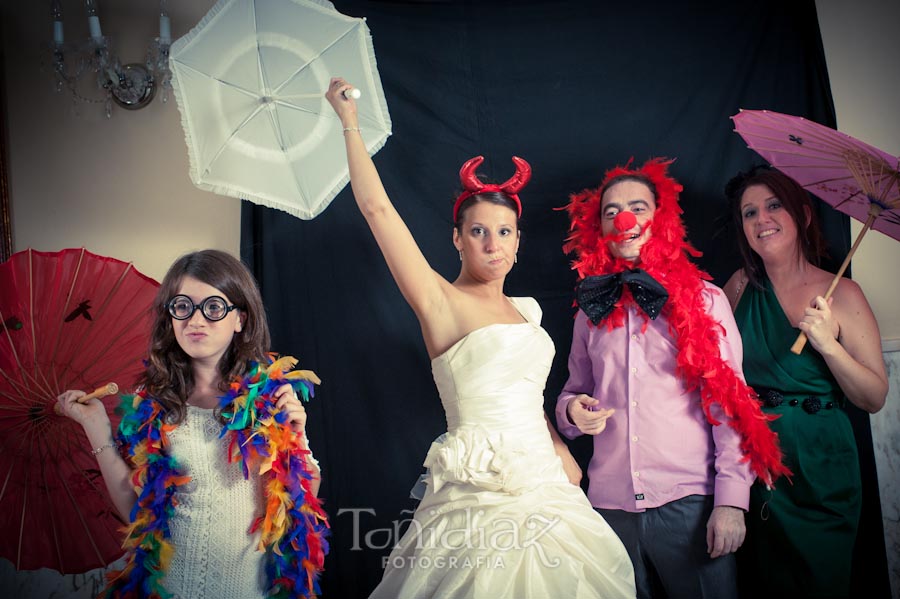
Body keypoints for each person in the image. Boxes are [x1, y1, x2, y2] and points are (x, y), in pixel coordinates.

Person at [326, 77, 636, 599]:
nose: (493, 244)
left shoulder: (526, 311)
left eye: (505, 231)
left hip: (547, 481)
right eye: (478, 231)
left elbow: (525, 392)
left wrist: (560, 445)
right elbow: (378, 211)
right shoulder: (439, 301)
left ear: (518, 239)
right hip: (478, 492)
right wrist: (349, 123)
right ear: (456, 238)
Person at [555, 158, 789, 599]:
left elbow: (731, 406)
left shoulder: (706, 299)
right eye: (611, 211)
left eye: (638, 207)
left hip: (690, 507)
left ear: (659, 218)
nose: (624, 218)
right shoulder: (591, 312)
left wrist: (731, 503)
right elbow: (572, 394)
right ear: (600, 228)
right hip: (608, 509)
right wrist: (571, 411)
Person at [56, 249, 328, 599]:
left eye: (213, 307)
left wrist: (298, 436)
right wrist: (96, 428)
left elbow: (299, 503)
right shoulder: (153, 405)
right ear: (170, 317)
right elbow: (135, 510)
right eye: (182, 306)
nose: (195, 320)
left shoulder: (269, 400)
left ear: (240, 319)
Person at [722, 166, 888, 598]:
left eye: (774, 206)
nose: (762, 219)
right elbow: (713, 371)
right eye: (749, 212)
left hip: (821, 465)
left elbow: (873, 397)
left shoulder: (844, 295)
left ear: (803, 215)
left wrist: (829, 345)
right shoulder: (738, 288)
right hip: (756, 462)